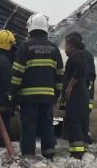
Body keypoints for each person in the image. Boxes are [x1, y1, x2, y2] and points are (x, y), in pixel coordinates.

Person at [11, 13, 63, 159]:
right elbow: (60, 74)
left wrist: (13, 92)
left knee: (29, 127)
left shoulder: (25, 47)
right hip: (48, 97)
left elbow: (17, 74)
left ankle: (28, 156)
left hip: (28, 97)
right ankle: (49, 154)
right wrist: (57, 94)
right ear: (45, 28)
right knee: (47, 125)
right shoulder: (54, 49)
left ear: (30, 28)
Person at [62, 32, 90, 159]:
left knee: (75, 123)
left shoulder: (75, 55)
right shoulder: (80, 55)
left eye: (66, 45)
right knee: (80, 122)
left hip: (76, 95)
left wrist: (70, 86)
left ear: (70, 45)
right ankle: (80, 151)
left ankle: (77, 154)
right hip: (81, 95)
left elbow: (81, 69)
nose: (65, 48)